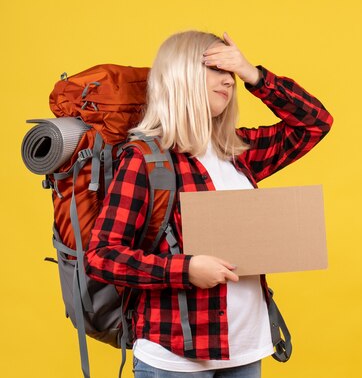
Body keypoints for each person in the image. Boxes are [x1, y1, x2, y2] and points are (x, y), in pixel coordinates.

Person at [84, 30, 333, 378]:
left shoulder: (237, 151)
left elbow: (315, 123)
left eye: (230, 72)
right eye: (216, 68)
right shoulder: (146, 160)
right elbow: (101, 256)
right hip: (176, 357)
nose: (227, 80)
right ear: (181, 76)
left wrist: (255, 76)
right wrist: (185, 270)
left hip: (245, 350)